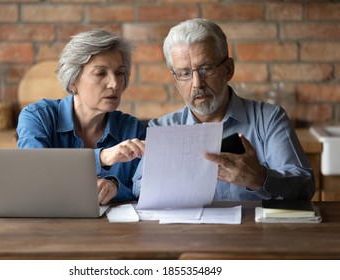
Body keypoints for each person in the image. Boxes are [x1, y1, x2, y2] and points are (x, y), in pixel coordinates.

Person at [133, 18, 315, 201]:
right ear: (175, 80)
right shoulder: (162, 129)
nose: (197, 83)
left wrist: (260, 178)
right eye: (185, 73)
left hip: (255, 229)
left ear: (228, 69)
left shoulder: (269, 119)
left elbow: (305, 187)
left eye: (206, 69)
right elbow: (139, 187)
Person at [17, 29, 146, 204]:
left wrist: (115, 188)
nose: (114, 84)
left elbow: (142, 189)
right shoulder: (37, 117)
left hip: (114, 229)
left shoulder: (133, 129)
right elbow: (33, 173)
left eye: (120, 73)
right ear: (73, 82)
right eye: (100, 73)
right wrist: (101, 157)